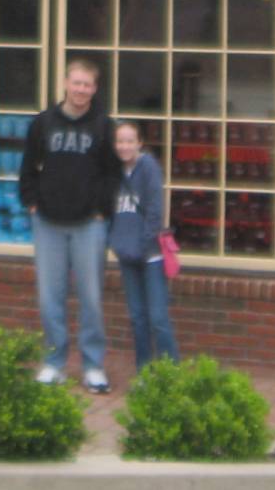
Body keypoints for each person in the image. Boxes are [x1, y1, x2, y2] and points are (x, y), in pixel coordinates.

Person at [18, 57, 118, 392]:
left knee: (91, 297)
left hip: (89, 224)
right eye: (76, 83)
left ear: (95, 88)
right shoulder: (43, 123)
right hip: (47, 222)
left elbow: (112, 174)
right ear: (65, 83)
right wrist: (32, 202)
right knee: (50, 297)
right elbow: (28, 167)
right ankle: (53, 362)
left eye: (87, 85)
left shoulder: (104, 126)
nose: (81, 90)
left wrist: (103, 210)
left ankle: (92, 366)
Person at [108, 119, 179, 370]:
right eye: (119, 141)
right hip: (126, 254)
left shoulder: (148, 167)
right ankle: (144, 372)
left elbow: (154, 210)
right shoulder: (113, 171)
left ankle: (171, 374)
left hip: (150, 256)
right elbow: (109, 211)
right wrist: (115, 243)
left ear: (139, 143)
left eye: (129, 141)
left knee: (158, 317)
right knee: (137, 318)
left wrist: (145, 243)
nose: (124, 146)